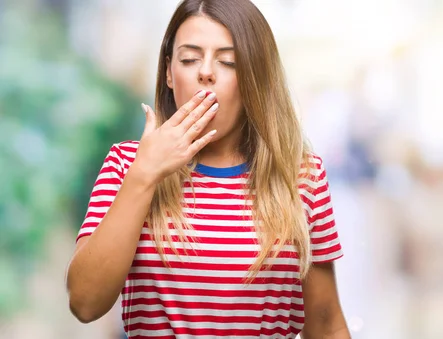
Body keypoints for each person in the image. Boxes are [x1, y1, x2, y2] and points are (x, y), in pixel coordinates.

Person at [65, 1, 350, 338]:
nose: (206, 72)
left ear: (254, 77)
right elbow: (85, 303)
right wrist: (144, 175)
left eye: (228, 61)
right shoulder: (127, 164)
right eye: (189, 59)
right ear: (170, 73)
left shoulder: (301, 176)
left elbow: (326, 322)